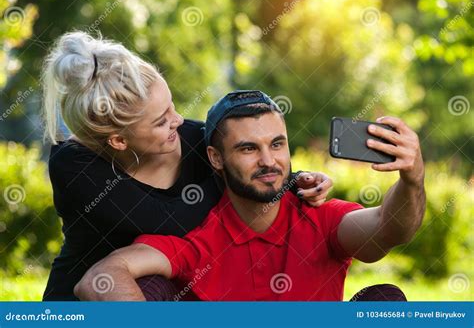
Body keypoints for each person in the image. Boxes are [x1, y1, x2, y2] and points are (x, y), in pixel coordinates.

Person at [41, 32, 334, 301]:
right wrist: (237, 179)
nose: (178, 120)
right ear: (119, 141)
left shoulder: (195, 140)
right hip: (91, 299)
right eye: (161, 120)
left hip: (176, 292)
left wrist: (293, 180)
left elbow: (252, 168)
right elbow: (168, 221)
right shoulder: (74, 166)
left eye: (171, 105)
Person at [74, 91, 426, 301]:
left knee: (385, 301)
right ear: (216, 158)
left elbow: (389, 228)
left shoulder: (318, 216)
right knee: (151, 287)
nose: (269, 161)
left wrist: (412, 177)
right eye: (248, 149)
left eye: (277, 144)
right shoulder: (200, 237)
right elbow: (100, 277)